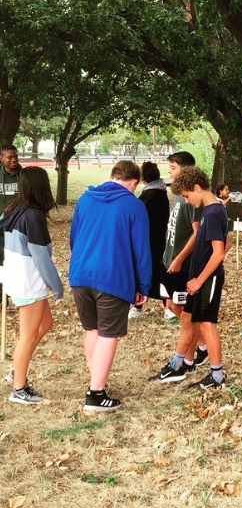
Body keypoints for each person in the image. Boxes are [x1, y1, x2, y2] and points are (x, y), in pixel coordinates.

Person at [69, 161, 151, 411]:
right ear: (134, 182)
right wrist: (143, 286)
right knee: (108, 333)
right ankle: (96, 394)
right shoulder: (134, 206)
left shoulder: (84, 200)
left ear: (113, 175)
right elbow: (141, 250)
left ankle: (97, 382)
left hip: (80, 274)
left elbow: (74, 238)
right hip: (112, 277)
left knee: (92, 329)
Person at [154, 167, 228, 388]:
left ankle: (217, 376)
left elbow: (219, 253)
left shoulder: (213, 212)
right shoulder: (210, 210)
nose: (186, 201)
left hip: (208, 279)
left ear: (197, 188)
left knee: (206, 325)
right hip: (200, 278)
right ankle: (177, 365)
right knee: (187, 318)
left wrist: (199, 279)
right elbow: (226, 243)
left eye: (187, 195)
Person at [1, 167, 63, 404]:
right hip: (28, 281)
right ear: (42, 187)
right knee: (26, 336)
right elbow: (41, 258)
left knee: (45, 323)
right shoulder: (32, 216)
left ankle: (18, 368)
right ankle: (18, 387)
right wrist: (56, 287)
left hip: (19, 277)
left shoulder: (14, 209)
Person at [157, 151, 207, 375]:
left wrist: (179, 259)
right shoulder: (179, 195)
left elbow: (197, 234)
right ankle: (202, 345)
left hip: (183, 265)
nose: (169, 171)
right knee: (171, 305)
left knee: (185, 313)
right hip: (168, 261)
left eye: (173, 167)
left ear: (186, 170)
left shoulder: (192, 199)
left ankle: (188, 360)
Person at [128, 162, 169, 320]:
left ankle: (139, 306)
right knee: (159, 272)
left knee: (147, 272)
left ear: (143, 177)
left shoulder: (150, 195)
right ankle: (166, 307)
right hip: (159, 238)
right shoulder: (160, 192)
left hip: (148, 240)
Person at [0, 144, 22, 265]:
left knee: (15, 264)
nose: (14, 160)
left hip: (18, 230)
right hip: (0, 230)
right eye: (10, 157)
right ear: (1, 158)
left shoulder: (25, 176)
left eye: (16, 156)